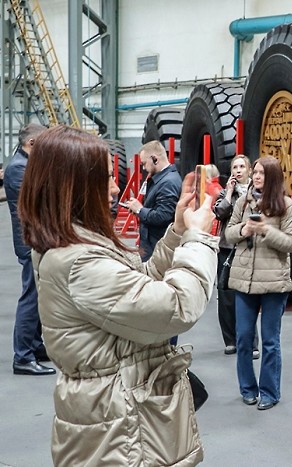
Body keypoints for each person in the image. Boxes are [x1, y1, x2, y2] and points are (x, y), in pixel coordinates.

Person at [18, 125, 217, 465]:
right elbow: (177, 307)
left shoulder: (78, 244)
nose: (114, 189)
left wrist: (179, 230)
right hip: (120, 434)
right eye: (106, 179)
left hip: (120, 418)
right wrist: (198, 239)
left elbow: (139, 285)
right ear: (76, 187)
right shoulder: (79, 262)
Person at [226, 156, 292, 410]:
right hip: (244, 281)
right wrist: (243, 231)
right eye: (255, 172)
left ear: (273, 178)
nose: (256, 177)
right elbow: (228, 233)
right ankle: (248, 388)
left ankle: (269, 392)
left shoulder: (287, 206)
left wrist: (266, 231)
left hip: (273, 283)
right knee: (244, 338)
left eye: (262, 173)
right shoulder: (243, 203)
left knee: (270, 341)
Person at [5, 123, 55, 376]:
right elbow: (39, 201)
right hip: (30, 242)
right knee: (31, 298)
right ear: (33, 144)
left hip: (36, 239)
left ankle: (34, 347)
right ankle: (22, 357)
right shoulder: (18, 169)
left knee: (37, 297)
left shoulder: (25, 165)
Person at [212, 156, 258, 358]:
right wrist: (229, 192)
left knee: (248, 295)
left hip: (247, 248)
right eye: (235, 167)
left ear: (249, 170)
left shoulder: (256, 193)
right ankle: (230, 340)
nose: (238, 170)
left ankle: (251, 343)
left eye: (242, 167)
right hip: (226, 248)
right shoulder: (225, 193)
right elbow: (220, 212)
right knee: (226, 296)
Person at [126, 140, 182, 262]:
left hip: (157, 248)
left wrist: (140, 209)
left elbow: (163, 216)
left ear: (155, 159)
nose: (144, 167)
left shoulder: (168, 183)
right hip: (154, 246)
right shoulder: (164, 180)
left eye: (144, 163)